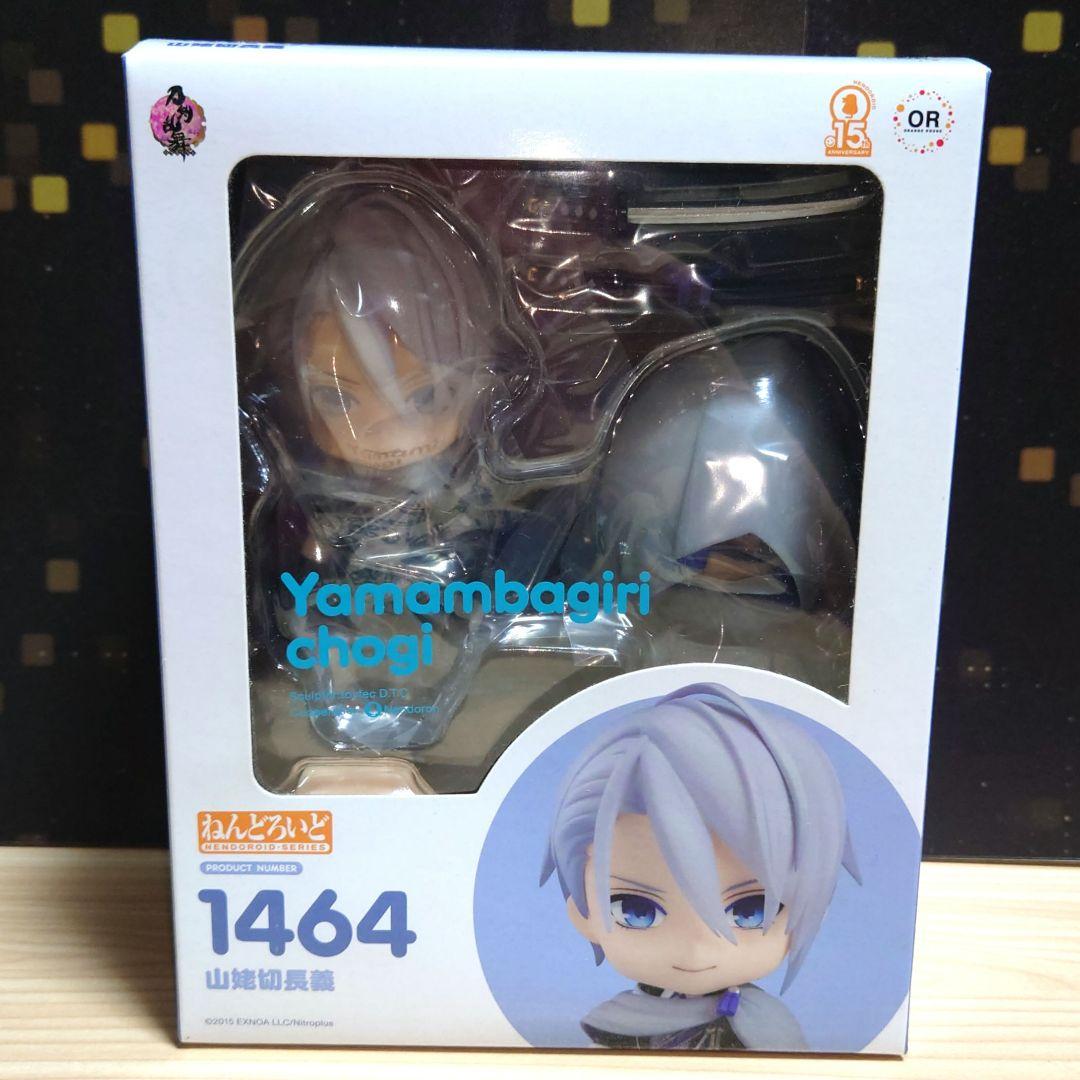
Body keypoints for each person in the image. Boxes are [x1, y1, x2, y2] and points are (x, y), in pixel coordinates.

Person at [541, 682, 859, 1050]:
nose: (698, 949)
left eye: (751, 911)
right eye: (636, 910)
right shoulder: (617, 1026)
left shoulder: (768, 1025)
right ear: (582, 913)